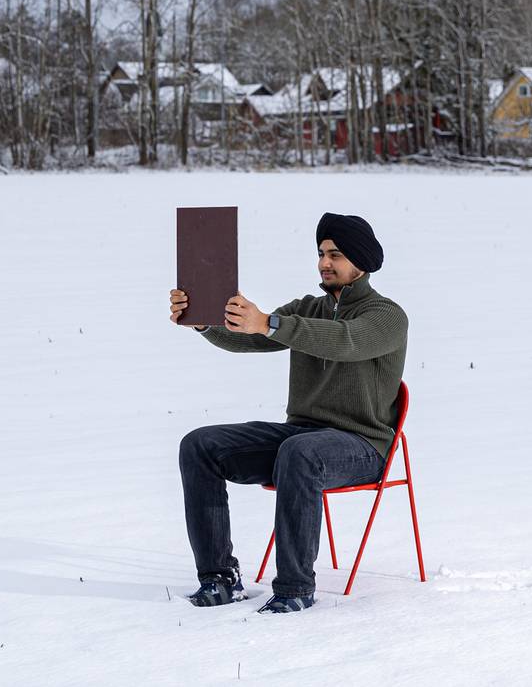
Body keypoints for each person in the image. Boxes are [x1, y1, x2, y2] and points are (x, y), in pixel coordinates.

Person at [168, 212, 408, 614]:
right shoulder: (308, 308)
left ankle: (295, 589)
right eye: (321, 253)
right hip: (300, 436)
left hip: (363, 446)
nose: (324, 263)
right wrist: (205, 323)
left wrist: (270, 322)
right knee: (200, 445)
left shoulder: (387, 316)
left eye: (335, 254)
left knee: (302, 453)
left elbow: (345, 342)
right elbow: (251, 338)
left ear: (361, 261)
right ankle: (219, 579)